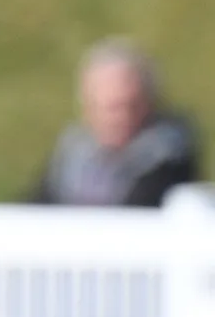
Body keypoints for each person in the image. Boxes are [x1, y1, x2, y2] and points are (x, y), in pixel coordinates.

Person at [35, 41, 199, 210]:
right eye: (110, 108)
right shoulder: (71, 157)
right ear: (87, 109)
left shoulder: (167, 159)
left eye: (130, 106)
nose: (119, 118)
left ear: (150, 105)